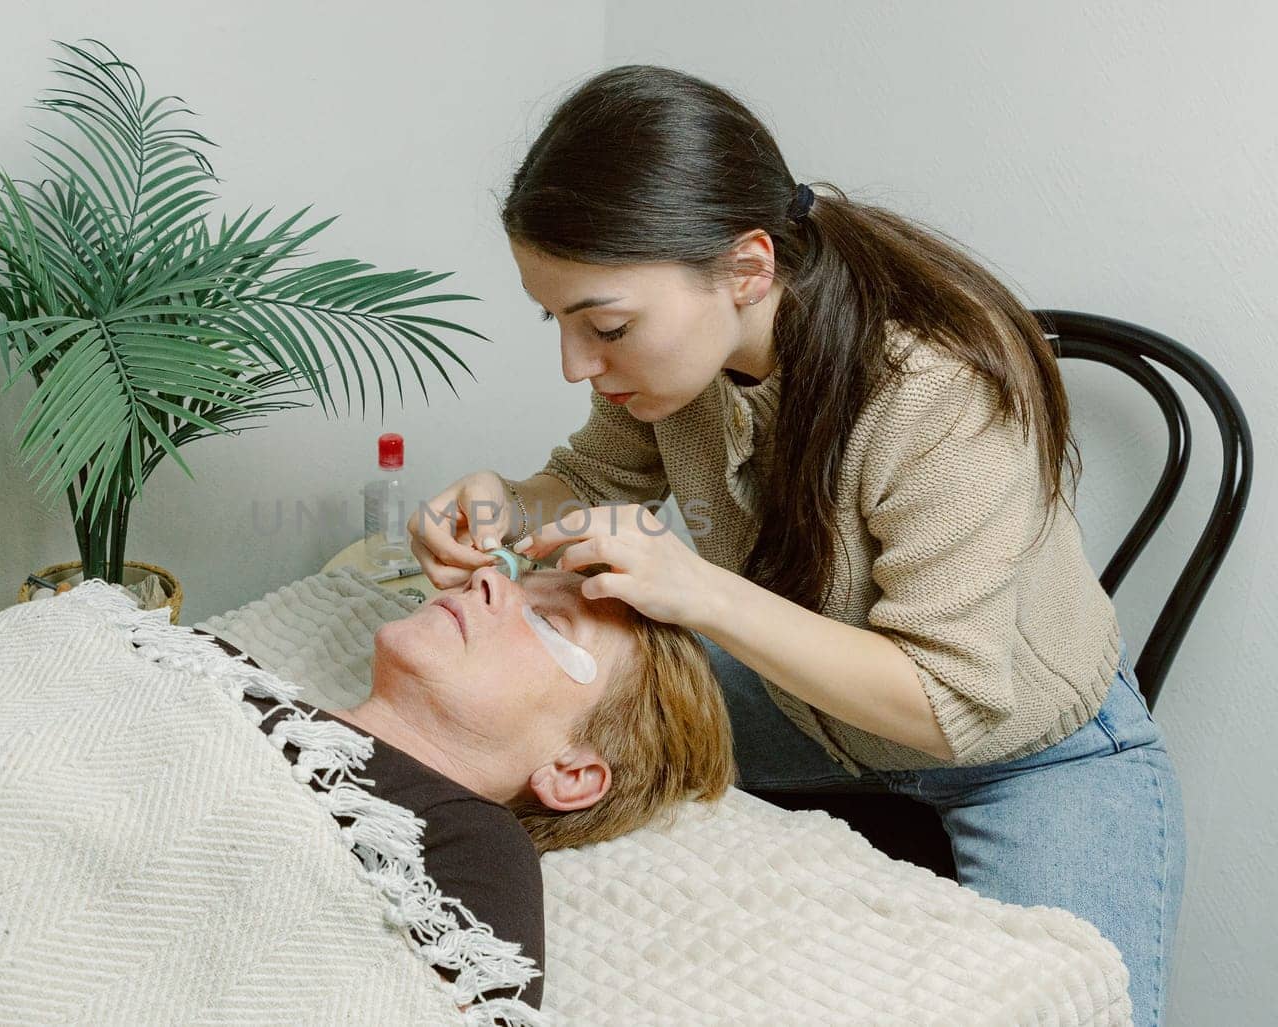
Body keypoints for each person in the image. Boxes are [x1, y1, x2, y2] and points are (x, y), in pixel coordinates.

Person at [406, 65, 1185, 1026]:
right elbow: (595, 478)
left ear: (748, 268)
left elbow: (950, 704)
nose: (578, 362)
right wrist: (505, 504)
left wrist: (697, 591)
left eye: (606, 325)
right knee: (533, 750)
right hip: (805, 705)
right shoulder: (677, 365)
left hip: (1027, 752)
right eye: (558, 321)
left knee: (1081, 1004)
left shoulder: (937, 390)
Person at [189, 563, 735, 1011]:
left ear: (570, 773)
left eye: (549, 621)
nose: (487, 578)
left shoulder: (474, 844)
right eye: (517, 573)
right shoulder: (208, 664)